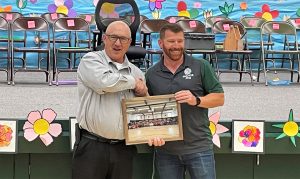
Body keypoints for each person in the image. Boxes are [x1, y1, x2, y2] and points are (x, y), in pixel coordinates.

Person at [146, 23, 225, 179]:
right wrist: (151, 134)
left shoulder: (201, 66)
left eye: (180, 41)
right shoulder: (151, 74)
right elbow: (148, 110)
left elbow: (219, 98)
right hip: (166, 151)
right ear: (161, 43)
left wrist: (195, 100)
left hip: (199, 147)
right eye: (171, 41)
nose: (176, 46)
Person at [72, 21, 148, 179]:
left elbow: (142, 109)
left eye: (123, 39)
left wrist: (144, 96)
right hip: (92, 146)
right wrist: (133, 83)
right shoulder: (91, 60)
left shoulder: (137, 72)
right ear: (104, 38)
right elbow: (104, 83)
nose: (118, 43)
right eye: (113, 37)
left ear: (130, 42)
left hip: (123, 148)